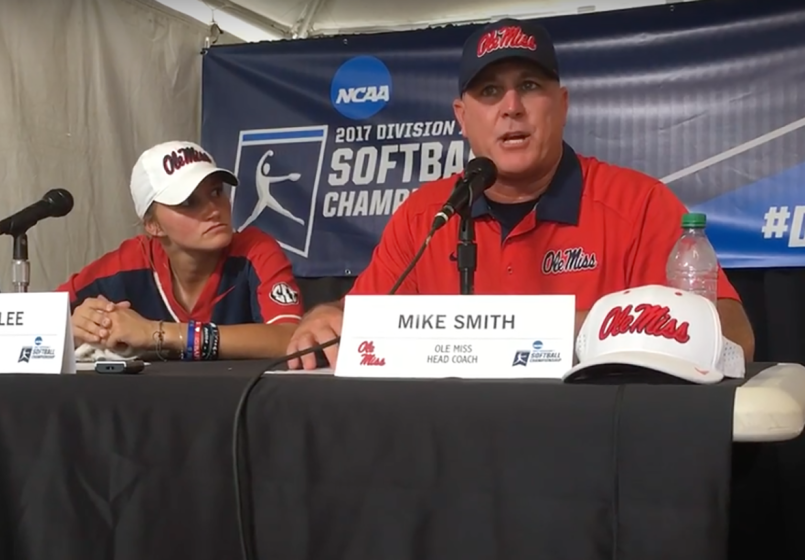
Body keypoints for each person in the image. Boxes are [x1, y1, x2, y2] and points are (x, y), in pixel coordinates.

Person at [286, 18, 755, 370]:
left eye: (529, 86)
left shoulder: (638, 204)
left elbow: (734, 338)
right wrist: (326, 316)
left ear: (563, 104)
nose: (511, 108)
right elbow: (358, 318)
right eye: (490, 91)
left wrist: (583, 329)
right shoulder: (426, 215)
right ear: (462, 118)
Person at [59, 140, 303, 360]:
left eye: (216, 192)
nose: (214, 209)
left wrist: (156, 333)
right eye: (188, 202)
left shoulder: (255, 249)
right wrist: (74, 328)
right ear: (153, 225)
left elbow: (290, 339)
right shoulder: (131, 259)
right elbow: (30, 322)